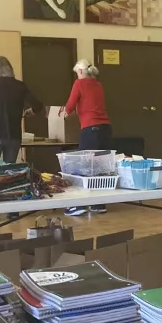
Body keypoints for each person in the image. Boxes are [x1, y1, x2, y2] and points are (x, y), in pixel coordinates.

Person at [59, 60, 111, 216]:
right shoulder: (98, 84)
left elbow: (70, 105)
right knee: (100, 168)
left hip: (90, 129)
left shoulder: (79, 84)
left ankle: (79, 205)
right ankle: (98, 204)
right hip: (105, 129)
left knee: (84, 167)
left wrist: (64, 112)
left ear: (80, 72)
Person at [0, 56, 43, 164]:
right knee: (8, 171)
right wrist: (31, 111)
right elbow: (38, 105)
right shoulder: (20, 86)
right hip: (14, 136)